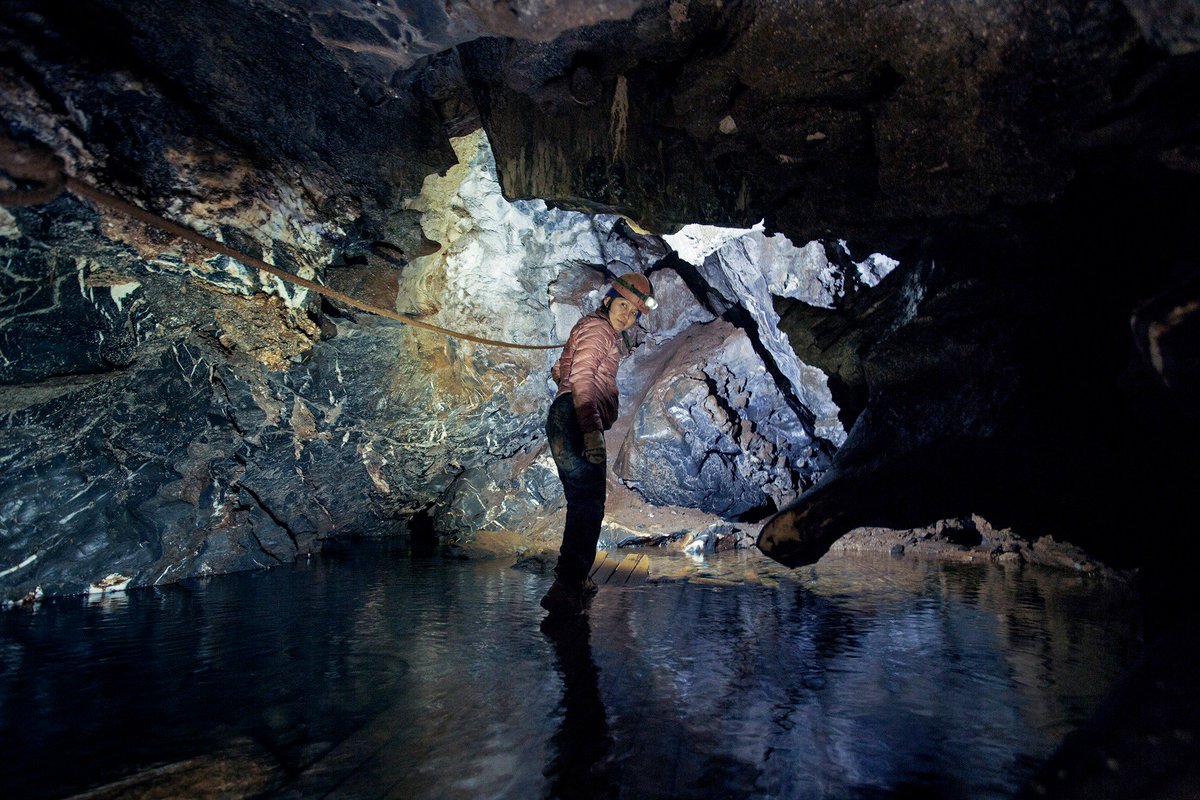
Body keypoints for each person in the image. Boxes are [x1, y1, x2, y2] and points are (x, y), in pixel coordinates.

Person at [541, 273, 656, 617]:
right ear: (608, 300)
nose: (627, 316)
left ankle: (573, 582)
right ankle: (566, 588)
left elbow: (564, 371)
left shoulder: (593, 329)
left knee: (582, 503)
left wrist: (566, 382)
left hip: (568, 417)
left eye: (634, 314)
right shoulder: (600, 330)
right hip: (578, 417)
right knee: (588, 505)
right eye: (624, 306)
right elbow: (582, 380)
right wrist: (590, 430)